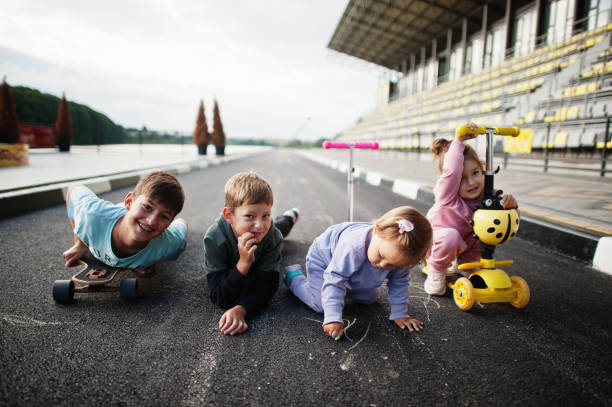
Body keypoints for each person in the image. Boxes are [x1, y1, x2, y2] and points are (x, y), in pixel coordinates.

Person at [284, 206, 431, 340]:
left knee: (370, 297)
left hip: (350, 267)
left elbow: (400, 283)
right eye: (381, 255)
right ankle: (294, 278)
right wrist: (333, 317)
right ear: (375, 230)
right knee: (321, 304)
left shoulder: (397, 253)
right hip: (324, 260)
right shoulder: (352, 247)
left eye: (393, 265)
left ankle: (342, 290)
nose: (383, 265)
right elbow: (334, 279)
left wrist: (400, 314)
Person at [424, 123, 518, 295]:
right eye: (462, 179)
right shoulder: (448, 195)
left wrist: (510, 208)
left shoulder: (488, 195)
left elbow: (506, 222)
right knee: (451, 236)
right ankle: (436, 271)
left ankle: (464, 267)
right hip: (436, 241)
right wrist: (458, 141)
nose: (472, 182)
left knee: (483, 230)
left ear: (482, 169)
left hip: (466, 244)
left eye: (475, 173)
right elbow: (452, 171)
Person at [204, 171, 299, 336]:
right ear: (229, 216)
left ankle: (290, 217)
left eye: (265, 215)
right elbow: (220, 296)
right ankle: (285, 217)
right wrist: (243, 264)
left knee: (279, 229)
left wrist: (242, 309)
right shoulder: (214, 238)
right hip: (242, 248)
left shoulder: (271, 236)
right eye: (249, 216)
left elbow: (267, 285)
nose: (259, 225)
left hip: (275, 233)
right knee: (274, 228)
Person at [62, 171, 188, 275]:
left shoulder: (171, 243)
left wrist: (151, 259)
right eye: (147, 207)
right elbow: (73, 188)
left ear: (169, 223)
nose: (151, 221)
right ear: (129, 202)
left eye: (164, 216)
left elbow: (182, 224)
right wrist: (80, 243)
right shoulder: (92, 216)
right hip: (114, 215)